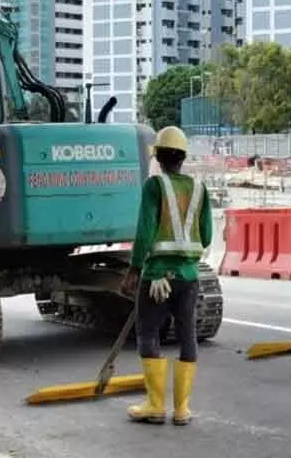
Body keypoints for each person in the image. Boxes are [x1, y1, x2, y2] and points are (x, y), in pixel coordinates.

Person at [120, 125, 212, 427]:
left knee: (148, 334)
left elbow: (145, 231)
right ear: (183, 157)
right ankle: (182, 409)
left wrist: (134, 269)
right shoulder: (199, 189)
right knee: (187, 336)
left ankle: (156, 405)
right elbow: (207, 235)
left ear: (158, 157)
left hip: (157, 277)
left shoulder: (154, 185)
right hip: (188, 276)